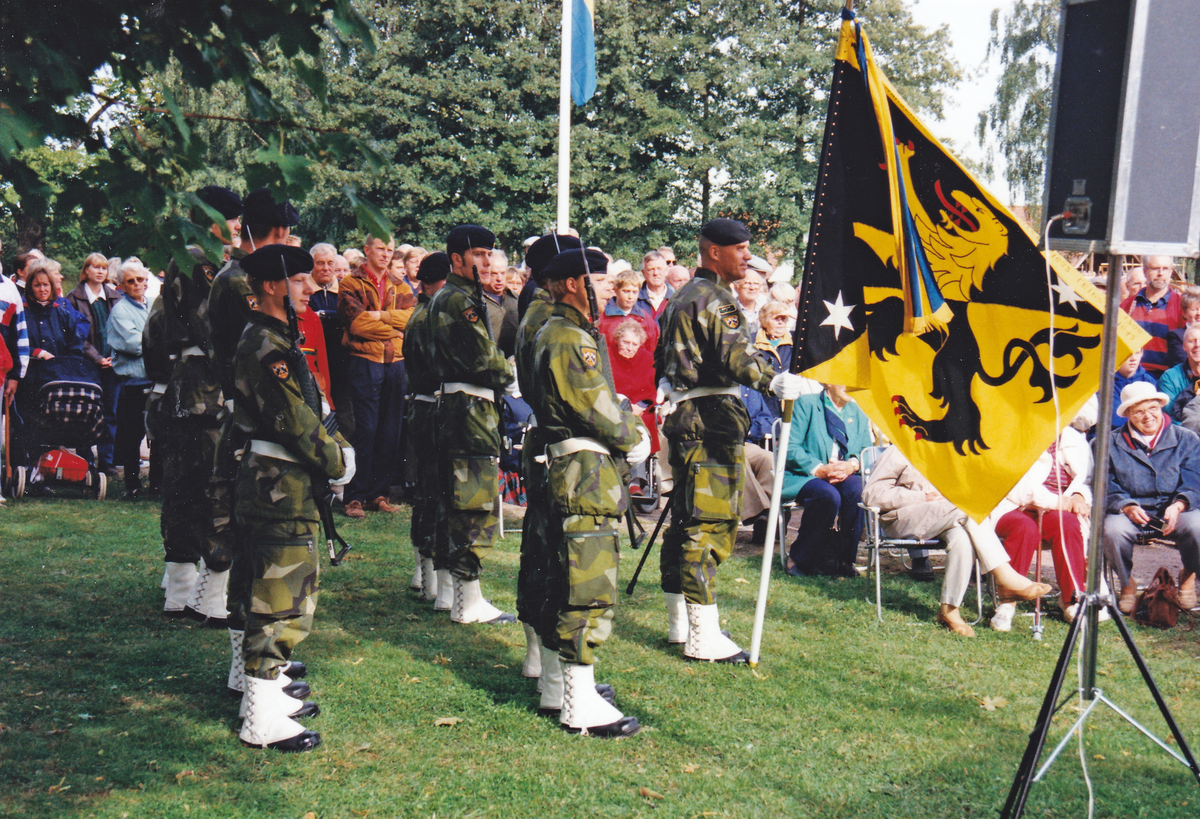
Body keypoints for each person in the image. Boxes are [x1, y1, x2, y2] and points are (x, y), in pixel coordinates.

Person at [655, 217, 804, 662]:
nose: (746, 258)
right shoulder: (716, 299)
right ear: (713, 252)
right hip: (711, 420)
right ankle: (704, 636)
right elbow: (737, 357)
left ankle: (680, 623)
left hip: (689, 416)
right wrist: (773, 380)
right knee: (711, 524)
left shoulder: (683, 295)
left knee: (684, 521)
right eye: (738, 249)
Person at [228, 244, 351, 753]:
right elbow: (295, 419)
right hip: (279, 481)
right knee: (280, 597)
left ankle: (257, 693)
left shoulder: (272, 336)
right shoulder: (267, 343)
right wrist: (337, 459)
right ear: (275, 286)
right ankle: (260, 718)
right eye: (300, 280)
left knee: (259, 587)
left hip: (272, 478)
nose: (309, 288)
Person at [526, 248, 647, 737]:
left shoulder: (552, 332)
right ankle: (580, 702)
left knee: (563, 575)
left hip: (570, 465)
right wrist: (635, 436)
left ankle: (558, 687)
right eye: (599, 279)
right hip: (585, 469)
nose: (606, 288)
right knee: (587, 583)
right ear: (575, 284)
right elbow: (598, 409)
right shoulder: (569, 338)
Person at [423, 224, 516, 625]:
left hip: (463, 406)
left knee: (455, 498)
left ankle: (451, 592)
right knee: (471, 501)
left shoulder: (460, 296)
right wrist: (510, 368)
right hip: (469, 409)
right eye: (477, 254)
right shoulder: (458, 299)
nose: (486, 261)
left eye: (488, 253)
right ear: (456, 259)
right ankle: (467, 598)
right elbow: (484, 359)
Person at [159, 185, 243, 624]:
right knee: (212, 484)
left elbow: (156, 330)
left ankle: (179, 586)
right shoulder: (203, 260)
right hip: (205, 389)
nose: (237, 228)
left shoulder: (180, 257)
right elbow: (215, 328)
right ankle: (208, 595)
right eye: (232, 220)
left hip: (181, 384)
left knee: (181, 485)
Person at [861, 446, 1051, 637]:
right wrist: (922, 496)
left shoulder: (952, 448)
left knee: (962, 538)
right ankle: (1005, 578)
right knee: (967, 509)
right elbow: (872, 494)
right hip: (903, 518)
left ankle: (949, 610)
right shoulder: (901, 448)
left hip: (947, 516)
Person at [514, 233, 585, 683]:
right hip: (555, 439)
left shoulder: (535, 313)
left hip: (542, 436)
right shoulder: (549, 319)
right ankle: (547, 662)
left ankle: (539, 658)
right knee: (550, 553)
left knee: (539, 548)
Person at [1103, 381, 1200, 614]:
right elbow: (1104, 483)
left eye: (1153, 408)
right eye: (1139, 411)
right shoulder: (1107, 443)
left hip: (1177, 508)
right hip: (1129, 510)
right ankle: (1127, 582)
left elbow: (1195, 480)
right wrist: (1125, 505)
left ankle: (1188, 572)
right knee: (1112, 530)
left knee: (1198, 526)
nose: (1148, 416)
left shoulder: (1188, 439)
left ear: (1161, 408)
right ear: (1127, 415)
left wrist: (1179, 504)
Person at [337, 234, 413, 518]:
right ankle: (353, 497)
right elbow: (356, 324)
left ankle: (377, 494)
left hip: (395, 362)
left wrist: (378, 317)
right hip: (364, 361)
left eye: (390, 250)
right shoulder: (350, 283)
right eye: (380, 249)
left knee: (389, 430)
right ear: (367, 250)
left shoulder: (401, 284)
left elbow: (411, 319)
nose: (385, 254)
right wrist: (393, 325)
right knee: (365, 429)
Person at [991, 424, 1094, 628]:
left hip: (1058, 507)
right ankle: (1007, 603)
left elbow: (1085, 479)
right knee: (1024, 529)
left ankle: (1071, 599)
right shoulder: (1012, 432)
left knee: (1069, 525)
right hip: (1014, 504)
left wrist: (1079, 496)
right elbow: (1013, 483)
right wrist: (1055, 502)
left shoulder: (1074, 438)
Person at [781, 384, 871, 577]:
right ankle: (798, 557)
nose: (851, 386)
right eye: (845, 380)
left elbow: (866, 450)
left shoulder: (858, 411)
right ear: (829, 381)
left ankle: (845, 560)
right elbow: (790, 447)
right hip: (805, 474)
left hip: (843, 474)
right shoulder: (807, 404)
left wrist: (852, 465)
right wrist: (819, 469)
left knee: (857, 489)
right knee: (827, 495)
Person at [402, 252, 451, 603]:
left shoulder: (420, 313)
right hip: (432, 406)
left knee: (426, 494)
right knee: (434, 494)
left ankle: (424, 574)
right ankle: (433, 578)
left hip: (421, 406)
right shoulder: (430, 315)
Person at [67, 252, 121, 475]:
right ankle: (85, 459)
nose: (100, 272)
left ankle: (106, 461)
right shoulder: (74, 298)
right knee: (86, 411)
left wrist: (113, 358)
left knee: (110, 412)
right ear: (86, 270)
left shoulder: (114, 297)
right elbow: (75, 335)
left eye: (104, 268)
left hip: (113, 364)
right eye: (95, 267)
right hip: (87, 365)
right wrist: (97, 358)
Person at [106, 260, 152, 499]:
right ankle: (132, 486)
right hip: (132, 382)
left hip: (155, 380)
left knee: (158, 435)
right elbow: (135, 345)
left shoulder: (153, 304)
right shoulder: (120, 311)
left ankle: (157, 484)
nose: (137, 284)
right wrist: (159, 342)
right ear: (121, 286)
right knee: (133, 437)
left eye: (141, 279)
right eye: (131, 281)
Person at [1120, 255, 1182, 376]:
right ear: (1145, 271)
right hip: (1132, 375)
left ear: (1170, 272)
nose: (1160, 273)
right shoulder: (1127, 305)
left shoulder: (1181, 306)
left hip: (1166, 377)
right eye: (1155, 268)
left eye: (1165, 269)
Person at [1159, 324, 1200, 418]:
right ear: (1184, 346)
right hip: (1184, 430)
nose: (1197, 345)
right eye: (1191, 341)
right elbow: (1171, 418)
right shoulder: (1170, 378)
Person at [1111, 348, 1157, 430]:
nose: (1133, 358)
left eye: (1137, 353)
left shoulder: (1148, 380)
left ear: (1142, 353)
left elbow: (1156, 413)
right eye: (1127, 353)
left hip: (1144, 431)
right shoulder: (1106, 383)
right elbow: (1115, 419)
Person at [481, 260, 519, 357]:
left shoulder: (516, 298)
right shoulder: (476, 300)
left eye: (502, 273)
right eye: (493, 274)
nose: (499, 279)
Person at [637, 250, 673, 317]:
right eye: (651, 269)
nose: (656, 273)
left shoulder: (675, 298)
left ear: (666, 270)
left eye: (659, 269)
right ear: (643, 273)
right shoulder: (635, 299)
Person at [308, 243, 339, 314]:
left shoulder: (344, 287)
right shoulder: (304, 288)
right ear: (311, 264)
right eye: (320, 263)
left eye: (330, 263)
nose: (326, 268)